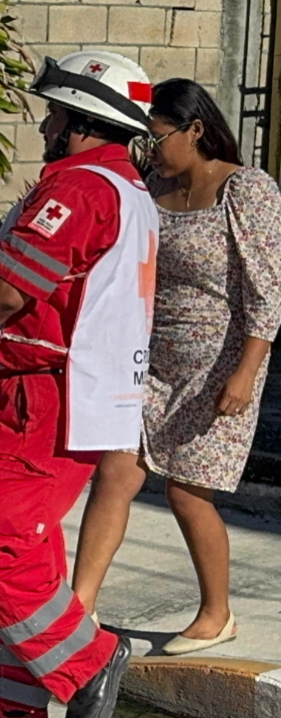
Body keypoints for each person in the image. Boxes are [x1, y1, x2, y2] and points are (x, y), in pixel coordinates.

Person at [0, 51, 158, 718]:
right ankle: (9, 699)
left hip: (41, 396)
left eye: (53, 112)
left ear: (80, 122)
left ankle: (89, 660)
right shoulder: (125, 190)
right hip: (69, 392)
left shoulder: (77, 189)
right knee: (26, 545)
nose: (45, 122)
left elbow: (7, 292)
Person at [72, 79, 281, 655]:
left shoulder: (248, 189)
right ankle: (78, 608)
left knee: (190, 492)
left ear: (195, 130)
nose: (150, 150)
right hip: (147, 357)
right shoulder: (152, 186)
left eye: (158, 137)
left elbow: (267, 292)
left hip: (220, 366)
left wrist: (246, 373)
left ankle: (217, 613)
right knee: (115, 473)